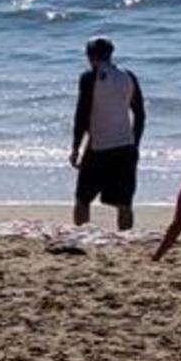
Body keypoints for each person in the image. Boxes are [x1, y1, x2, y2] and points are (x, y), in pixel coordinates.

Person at [70, 35, 146, 231]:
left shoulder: (88, 78)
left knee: (82, 198)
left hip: (99, 147)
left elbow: (82, 114)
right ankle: (126, 239)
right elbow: (140, 114)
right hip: (125, 146)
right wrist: (135, 143)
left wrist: (75, 147)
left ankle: (81, 234)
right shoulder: (128, 76)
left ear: (90, 56)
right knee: (124, 203)